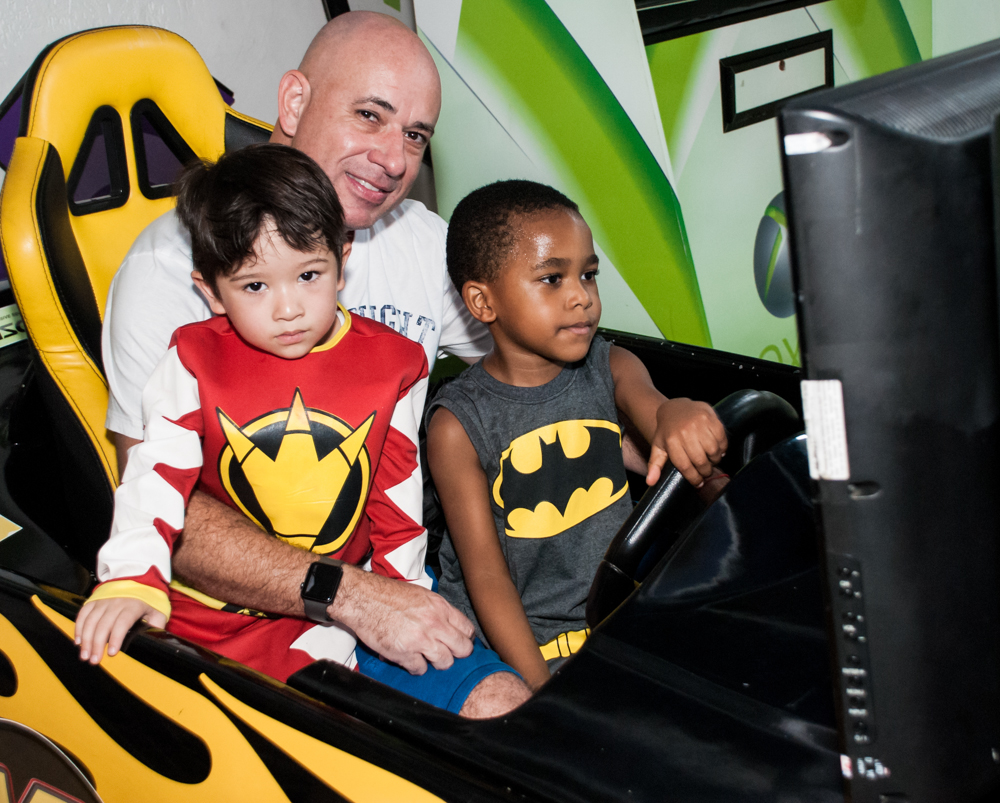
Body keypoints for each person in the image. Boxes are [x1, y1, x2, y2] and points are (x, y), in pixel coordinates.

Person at [99, 12, 529, 716]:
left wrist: (647, 409)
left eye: (415, 135)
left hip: (389, 580)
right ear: (294, 102)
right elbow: (160, 507)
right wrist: (351, 596)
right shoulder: (168, 270)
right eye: (370, 115)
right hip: (232, 625)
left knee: (508, 715)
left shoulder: (415, 239)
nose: (394, 159)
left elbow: (544, 340)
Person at [403, 180, 728, 690]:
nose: (582, 297)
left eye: (589, 275)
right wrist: (541, 693)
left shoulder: (611, 364)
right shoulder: (457, 424)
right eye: (552, 279)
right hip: (516, 647)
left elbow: (656, 410)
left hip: (613, 614)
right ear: (483, 302)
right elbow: (487, 580)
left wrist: (678, 415)